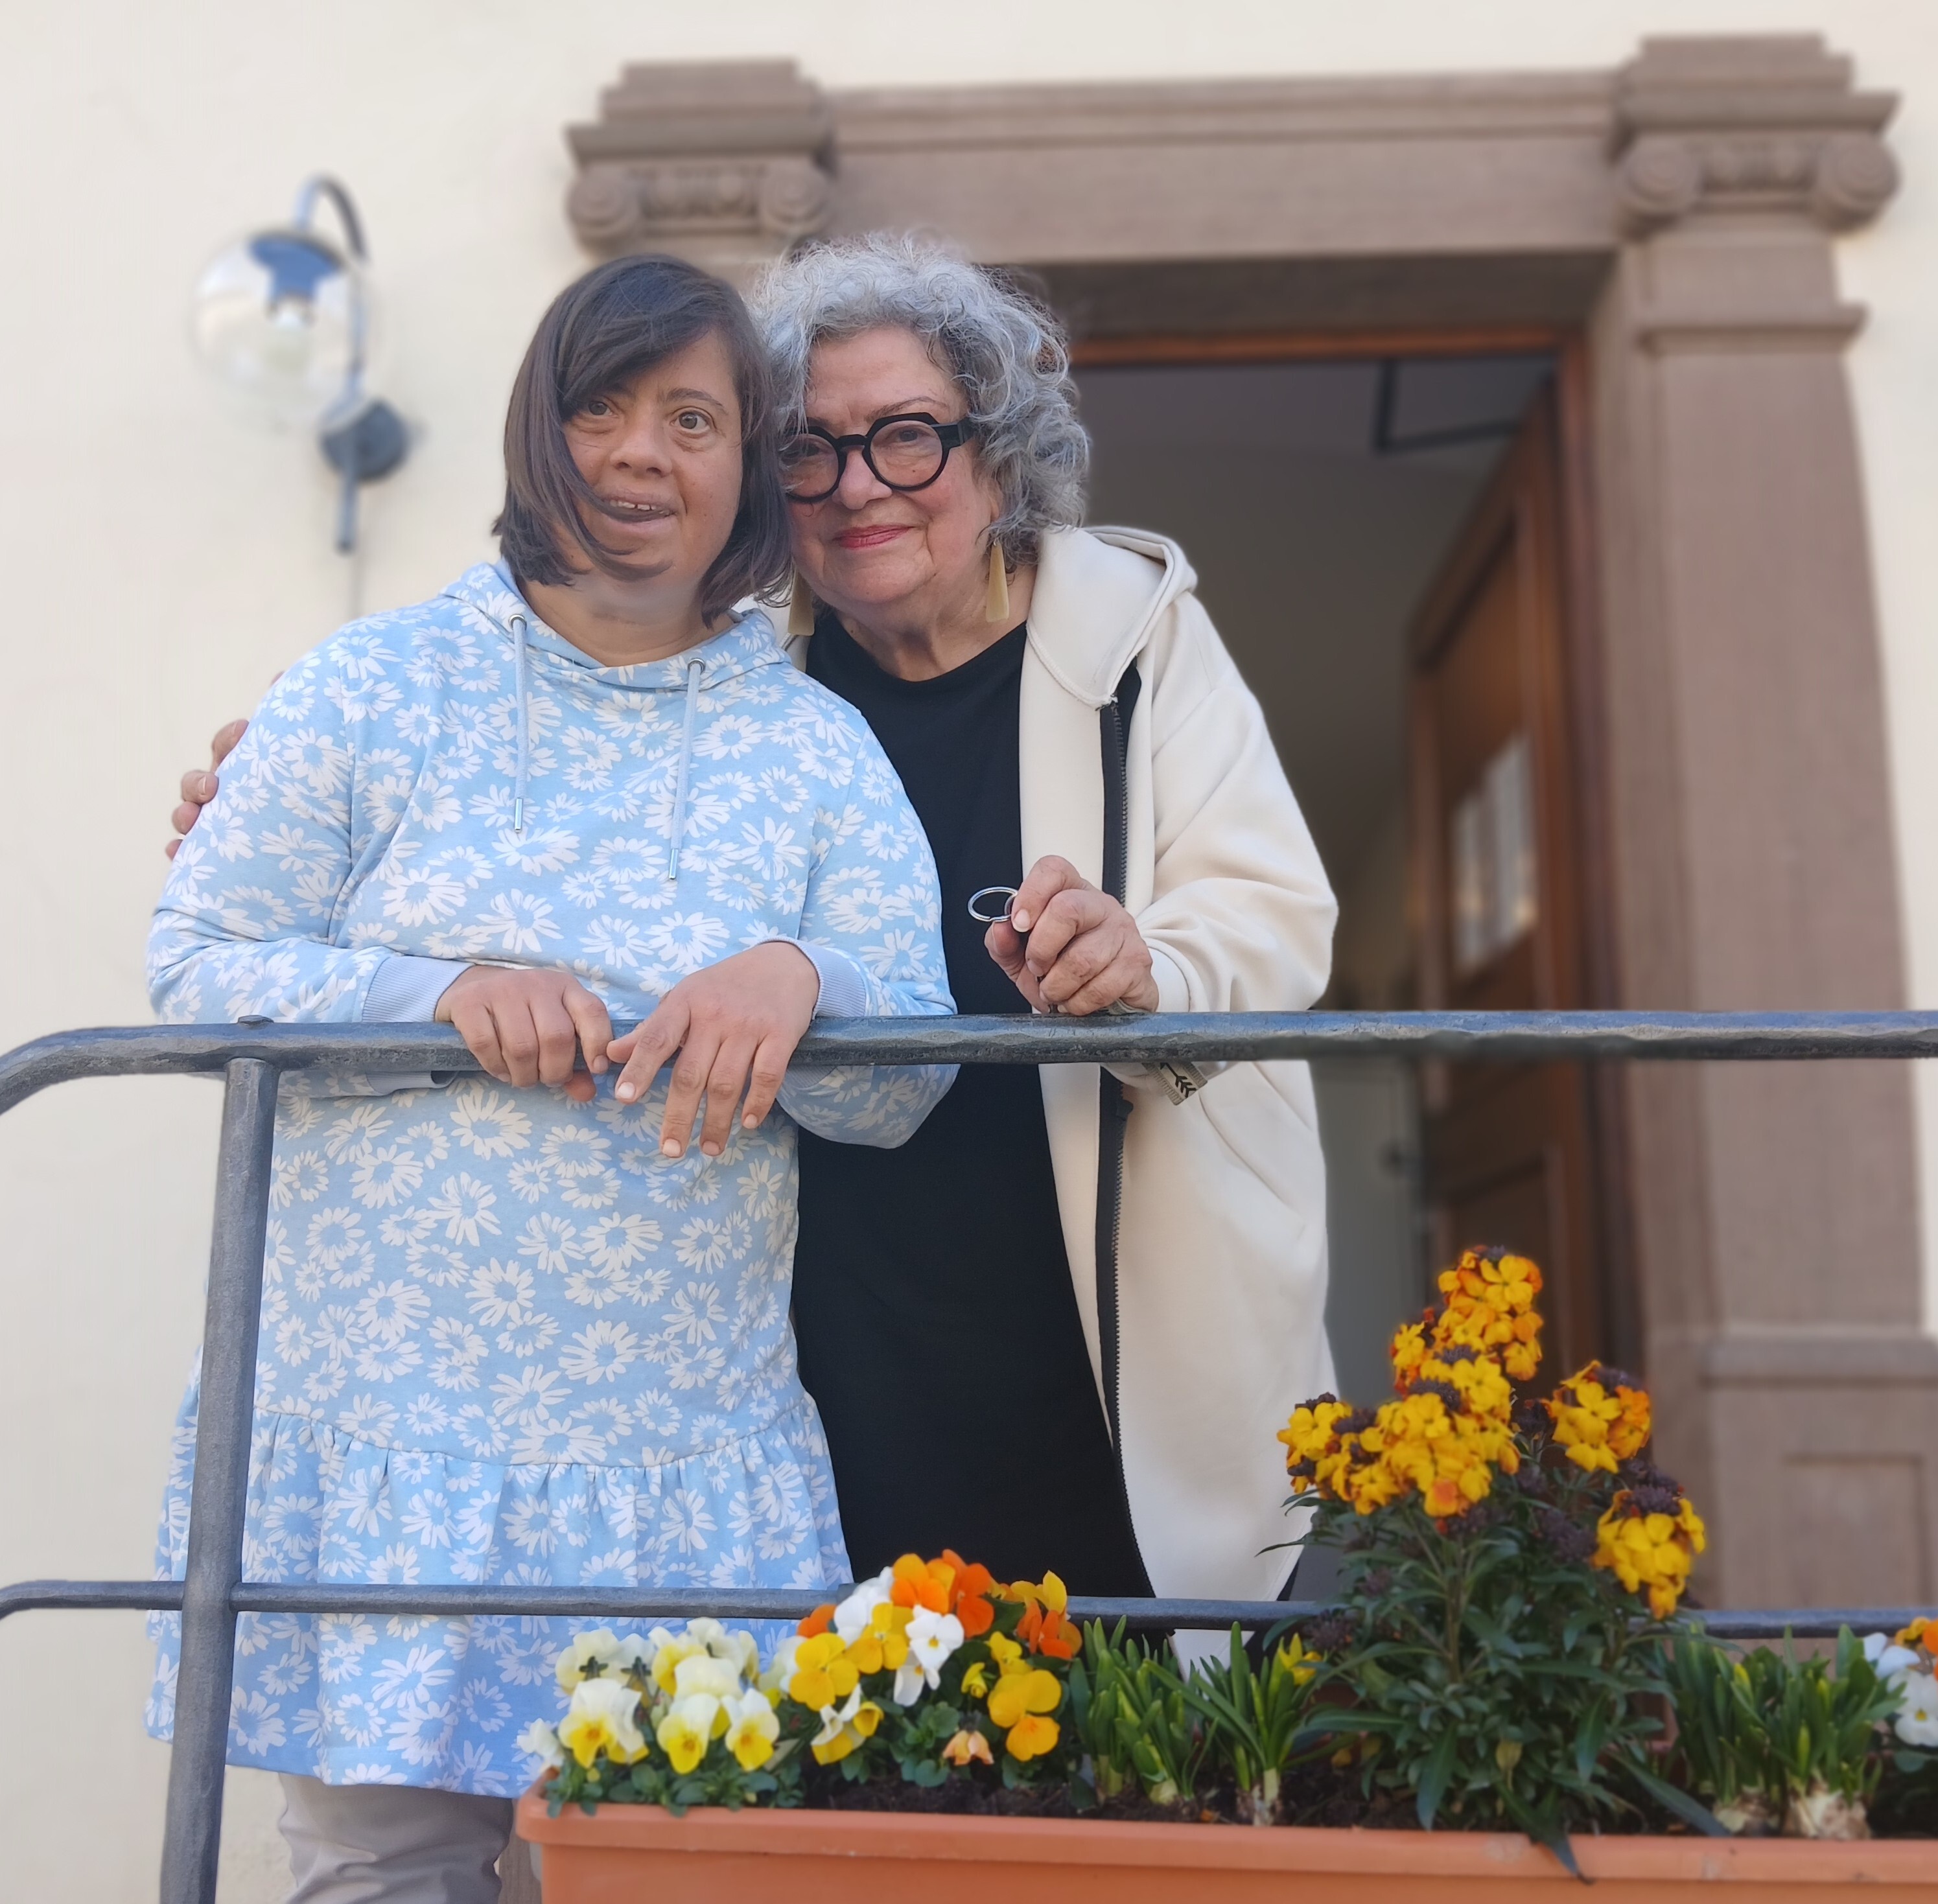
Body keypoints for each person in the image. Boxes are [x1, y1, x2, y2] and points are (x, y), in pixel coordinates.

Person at [170, 233, 1338, 1623]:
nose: (858, 484)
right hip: (832, 1308)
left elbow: (1272, 915)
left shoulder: (1127, 645)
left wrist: (1143, 965)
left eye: (906, 435)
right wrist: (287, 811)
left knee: (1140, 1681)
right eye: (807, 448)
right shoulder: (730, 656)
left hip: (1091, 1281)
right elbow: (370, 857)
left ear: (999, 455)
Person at [149, 252, 952, 1899]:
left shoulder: (813, 747)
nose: (640, 451)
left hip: (677, 1467)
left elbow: (906, 1083)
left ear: (748, 463)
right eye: (601, 407)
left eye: (692, 419)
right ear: (538, 429)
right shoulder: (370, 687)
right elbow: (199, 961)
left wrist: (804, 980)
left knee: (667, 1879)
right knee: (379, 1871)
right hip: (389, 1445)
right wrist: (440, 995)